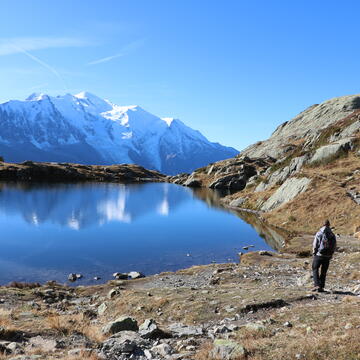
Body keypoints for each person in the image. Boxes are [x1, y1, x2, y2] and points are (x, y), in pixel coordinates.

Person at [312, 220, 336, 292]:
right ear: (329, 225)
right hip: (328, 255)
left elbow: (315, 244)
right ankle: (322, 286)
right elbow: (334, 245)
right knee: (324, 271)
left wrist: (314, 253)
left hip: (319, 254)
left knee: (315, 268)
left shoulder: (319, 233)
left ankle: (317, 285)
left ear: (322, 225)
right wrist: (331, 254)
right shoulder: (332, 234)